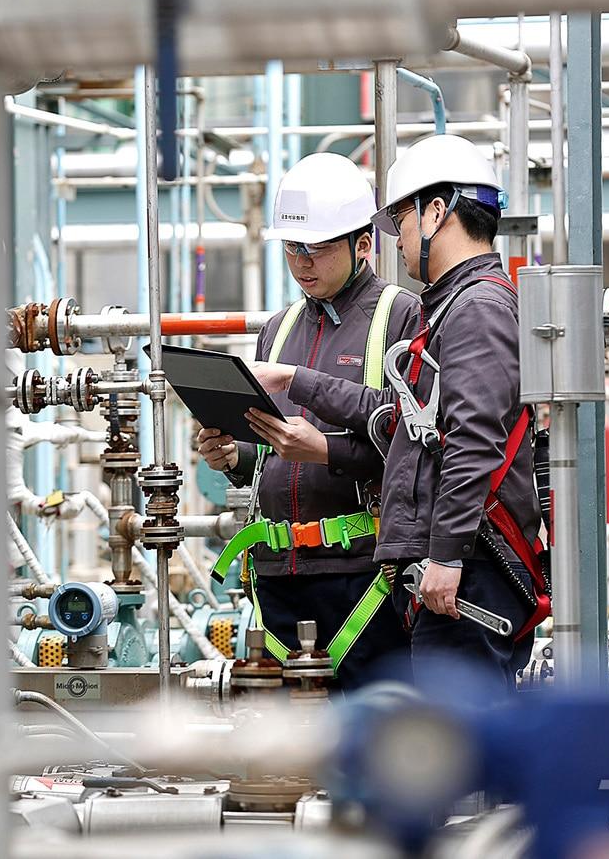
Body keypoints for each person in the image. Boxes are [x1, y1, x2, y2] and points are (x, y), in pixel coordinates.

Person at [251, 134, 549, 691]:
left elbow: (472, 442)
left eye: (403, 225)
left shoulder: (474, 308)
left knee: (453, 748)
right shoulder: (450, 308)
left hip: (464, 569)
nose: (403, 243)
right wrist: (296, 382)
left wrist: (448, 556)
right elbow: (401, 421)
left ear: (437, 212)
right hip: (427, 569)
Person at [195, 151, 420, 689]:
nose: (302, 263)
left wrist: (325, 451)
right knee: (286, 757)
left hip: (362, 577)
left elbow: (413, 452)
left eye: (316, 248)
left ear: (363, 243)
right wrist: (234, 458)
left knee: (369, 738)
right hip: (276, 575)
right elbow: (273, 452)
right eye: (293, 248)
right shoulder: (278, 327)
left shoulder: (400, 316)